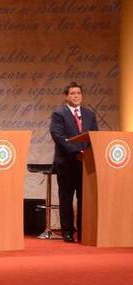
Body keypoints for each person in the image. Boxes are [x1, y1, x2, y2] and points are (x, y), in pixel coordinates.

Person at [50, 81, 98, 243]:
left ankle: (84, 231)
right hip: (67, 162)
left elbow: (95, 136)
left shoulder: (90, 114)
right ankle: (67, 232)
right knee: (66, 198)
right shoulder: (59, 114)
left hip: (86, 163)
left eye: (78, 93)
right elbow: (58, 136)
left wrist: (88, 152)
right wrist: (77, 151)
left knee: (84, 198)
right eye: (72, 93)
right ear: (66, 97)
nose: (76, 96)